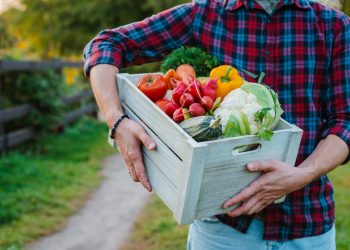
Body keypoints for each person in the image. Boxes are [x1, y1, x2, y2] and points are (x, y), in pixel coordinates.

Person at [83, 0, 349, 249]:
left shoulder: (334, 26)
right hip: (223, 227)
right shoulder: (206, 14)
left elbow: (345, 120)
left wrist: (302, 174)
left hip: (308, 226)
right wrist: (116, 121)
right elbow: (106, 44)